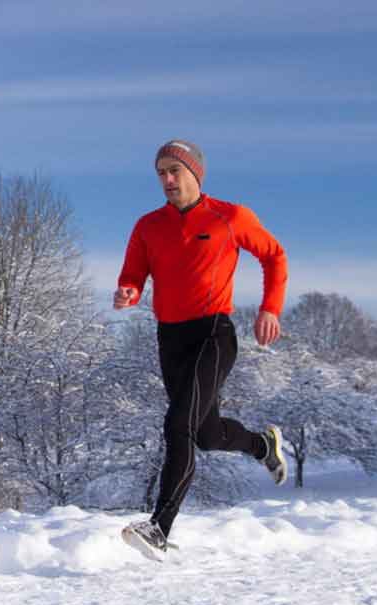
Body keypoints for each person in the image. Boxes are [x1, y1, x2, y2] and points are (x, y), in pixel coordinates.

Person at [115, 139, 289, 561]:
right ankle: (262, 445)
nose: (167, 180)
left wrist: (270, 309)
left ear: (196, 173)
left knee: (179, 424)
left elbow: (275, 256)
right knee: (206, 434)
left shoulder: (230, 216)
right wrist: (129, 291)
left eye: (175, 170)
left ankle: (159, 526)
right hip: (169, 337)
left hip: (214, 333)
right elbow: (134, 272)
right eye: (160, 172)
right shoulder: (147, 225)